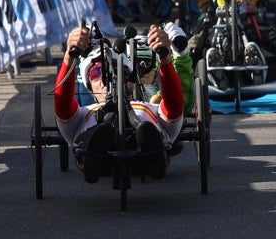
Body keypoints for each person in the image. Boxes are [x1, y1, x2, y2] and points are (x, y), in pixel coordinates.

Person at [54, 22, 186, 183]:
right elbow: (62, 104)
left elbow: (174, 107)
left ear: (129, 81)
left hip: (144, 156)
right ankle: (92, 156)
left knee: (147, 128)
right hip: (99, 161)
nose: (105, 78)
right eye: (96, 72)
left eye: (115, 71)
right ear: (89, 85)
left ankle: (155, 154)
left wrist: (165, 57)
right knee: (98, 132)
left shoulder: (149, 108)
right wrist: (69, 55)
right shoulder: (84, 113)